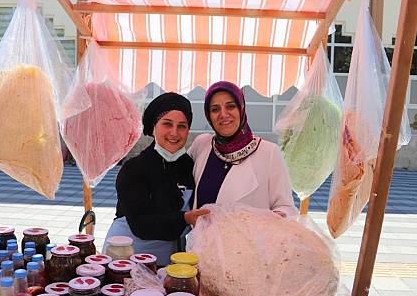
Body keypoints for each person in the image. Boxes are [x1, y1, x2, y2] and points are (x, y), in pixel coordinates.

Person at [104, 92, 209, 266]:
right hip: (129, 253)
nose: (174, 133)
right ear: (153, 127)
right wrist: (185, 218)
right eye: (167, 124)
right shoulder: (134, 168)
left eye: (182, 126)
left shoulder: (189, 166)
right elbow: (140, 224)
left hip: (170, 254)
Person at [188, 81, 297, 217]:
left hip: (250, 238)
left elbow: (286, 206)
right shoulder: (201, 144)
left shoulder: (268, 153)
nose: (223, 114)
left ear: (241, 108)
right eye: (215, 109)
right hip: (201, 237)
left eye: (231, 106)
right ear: (208, 115)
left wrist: (276, 219)